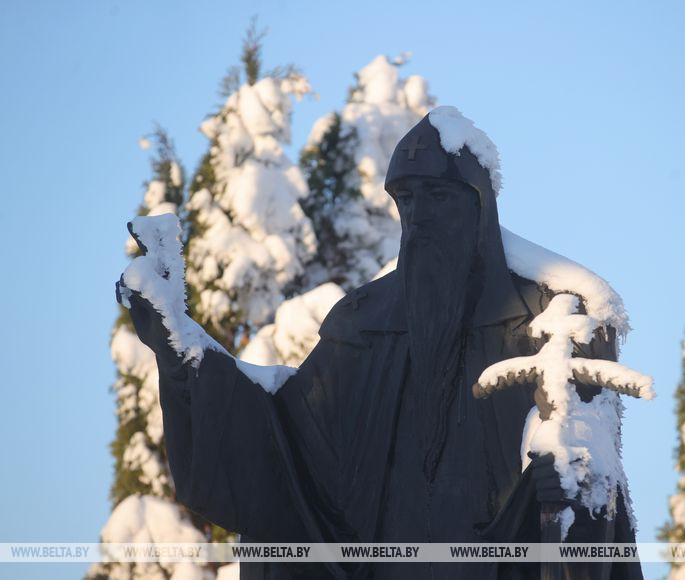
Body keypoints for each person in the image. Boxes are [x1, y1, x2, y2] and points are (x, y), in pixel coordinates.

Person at [117, 106, 644, 579]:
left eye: (438, 196)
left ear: (479, 206)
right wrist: (180, 345)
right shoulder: (364, 324)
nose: (419, 217)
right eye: (406, 200)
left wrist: (570, 481)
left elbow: (590, 459)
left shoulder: (554, 315)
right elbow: (285, 446)